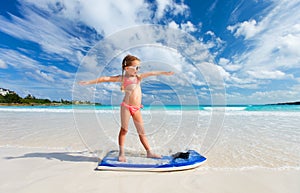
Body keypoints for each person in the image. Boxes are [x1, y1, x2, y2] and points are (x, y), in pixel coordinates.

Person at [79, 54, 174, 162]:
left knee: (141, 132)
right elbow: (105, 79)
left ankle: (149, 152)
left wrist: (165, 73)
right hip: (126, 107)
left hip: (137, 108)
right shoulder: (123, 78)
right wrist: (89, 82)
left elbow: (152, 73)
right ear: (127, 68)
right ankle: (121, 153)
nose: (138, 70)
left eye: (139, 67)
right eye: (136, 67)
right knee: (124, 130)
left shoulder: (139, 77)